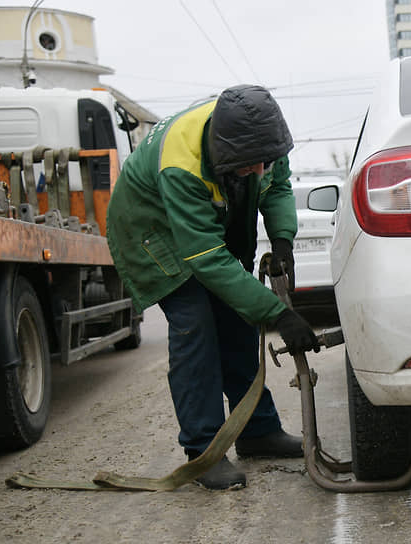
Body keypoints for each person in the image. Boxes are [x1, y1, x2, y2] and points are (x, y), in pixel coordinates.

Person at [106, 85, 319, 490]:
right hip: (150, 228)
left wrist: (283, 240)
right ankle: (203, 450)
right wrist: (278, 314)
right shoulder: (182, 165)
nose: (260, 170)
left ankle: (257, 432)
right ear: (223, 154)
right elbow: (206, 258)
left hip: (196, 226)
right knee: (196, 323)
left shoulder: (264, 139)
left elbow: (276, 188)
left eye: (264, 162)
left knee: (237, 318)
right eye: (249, 165)